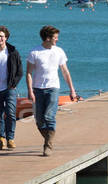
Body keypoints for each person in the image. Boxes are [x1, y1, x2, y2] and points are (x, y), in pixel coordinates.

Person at [26, 24, 76, 156]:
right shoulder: (34, 52)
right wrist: (30, 91)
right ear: (47, 38)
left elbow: (65, 72)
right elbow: (29, 73)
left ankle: (47, 145)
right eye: (55, 37)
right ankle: (49, 139)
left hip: (53, 87)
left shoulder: (59, 51)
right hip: (38, 89)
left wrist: (72, 90)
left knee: (49, 116)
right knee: (39, 120)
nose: (57, 40)